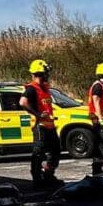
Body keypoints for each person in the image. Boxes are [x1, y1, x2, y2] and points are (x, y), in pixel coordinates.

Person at [20, 59, 62, 189]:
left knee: (56, 151)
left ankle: (48, 174)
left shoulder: (44, 88)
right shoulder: (32, 89)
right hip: (40, 127)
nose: (47, 75)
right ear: (41, 73)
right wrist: (37, 114)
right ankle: (37, 180)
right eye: (46, 73)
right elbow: (23, 102)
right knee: (38, 153)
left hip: (49, 126)